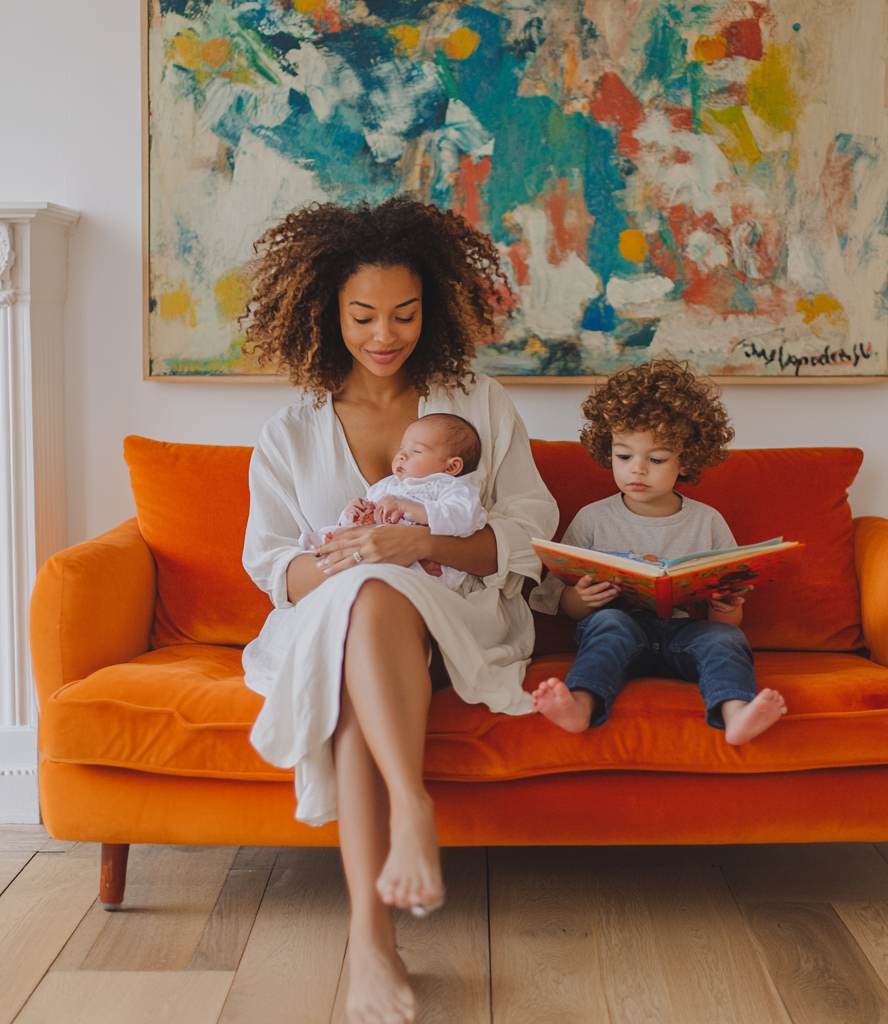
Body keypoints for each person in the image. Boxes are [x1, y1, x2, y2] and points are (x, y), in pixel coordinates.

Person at [239, 198, 557, 1024]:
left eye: (407, 314)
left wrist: (424, 548)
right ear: (326, 311)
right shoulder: (290, 431)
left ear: (435, 307)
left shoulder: (477, 403)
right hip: (337, 625)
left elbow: (530, 532)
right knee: (361, 608)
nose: (386, 335)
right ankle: (375, 932)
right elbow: (272, 560)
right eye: (364, 315)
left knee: (380, 592)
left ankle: (377, 942)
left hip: (458, 619)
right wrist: (349, 567)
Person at [528, 359, 786, 744]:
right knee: (606, 625)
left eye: (657, 459)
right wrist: (582, 598)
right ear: (607, 451)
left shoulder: (707, 521)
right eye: (624, 456)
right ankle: (579, 706)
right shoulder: (593, 518)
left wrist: (727, 608)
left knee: (725, 639)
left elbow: (732, 621)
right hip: (619, 629)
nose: (638, 470)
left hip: (685, 632)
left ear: (687, 459)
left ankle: (736, 715)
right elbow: (562, 605)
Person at [300, 413, 487, 593]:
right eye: (402, 448)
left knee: (386, 582)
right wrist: (353, 513)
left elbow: (465, 516)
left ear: (451, 467)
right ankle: (319, 551)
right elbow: (369, 516)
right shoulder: (388, 485)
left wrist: (407, 507)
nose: (402, 456)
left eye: (416, 451)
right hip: (374, 553)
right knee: (341, 543)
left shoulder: (449, 487)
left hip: (424, 569)